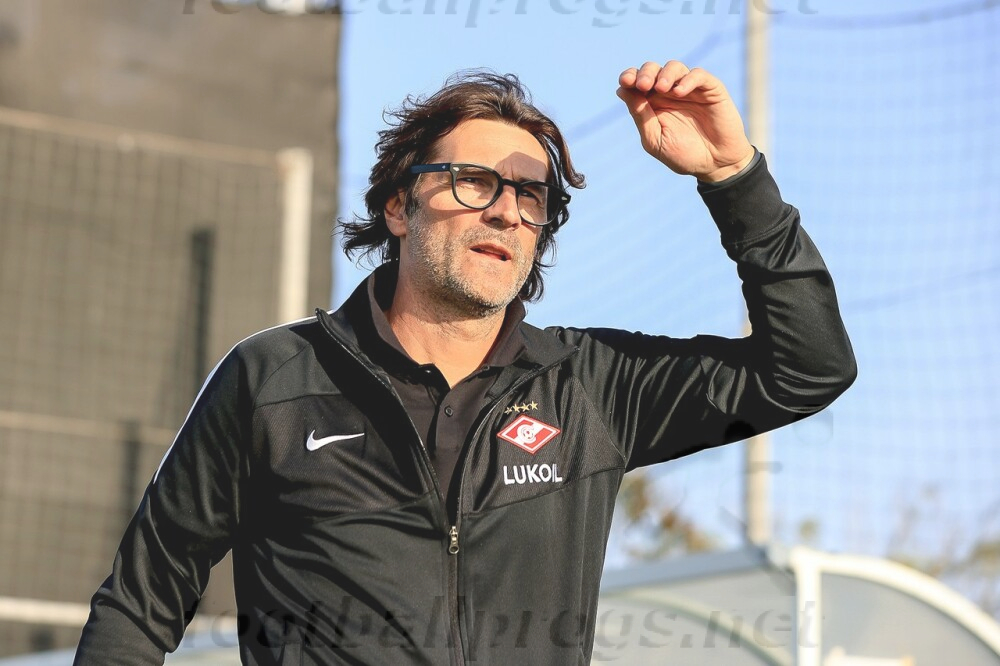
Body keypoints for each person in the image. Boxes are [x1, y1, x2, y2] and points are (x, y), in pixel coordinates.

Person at [75, 60, 856, 665]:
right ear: (399, 205)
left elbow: (808, 368)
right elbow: (141, 604)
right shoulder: (271, 378)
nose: (506, 210)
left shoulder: (589, 386)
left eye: (531, 196)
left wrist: (732, 177)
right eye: (474, 182)